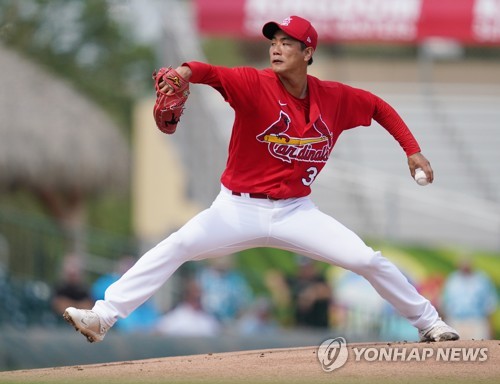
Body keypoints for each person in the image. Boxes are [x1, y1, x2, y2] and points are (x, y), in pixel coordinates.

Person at [63, 15, 459, 343]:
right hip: (236, 208)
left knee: (365, 259)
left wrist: (412, 149)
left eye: (288, 42)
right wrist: (182, 73)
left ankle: (429, 323)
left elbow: (377, 106)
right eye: (273, 40)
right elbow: (208, 72)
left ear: (308, 53)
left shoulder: (334, 97)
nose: (276, 47)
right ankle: (103, 317)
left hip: (296, 211)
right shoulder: (254, 84)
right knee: (179, 243)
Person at [441, 258, 498, 340]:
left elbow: (489, 307)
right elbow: (444, 305)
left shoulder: (482, 280)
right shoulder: (452, 280)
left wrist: (490, 329)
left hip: (476, 323)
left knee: (480, 350)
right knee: (455, 350)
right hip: (455, 322)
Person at [154, 279, 221, 337]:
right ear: (187, 295)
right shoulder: (176, 317)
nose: (197, 297)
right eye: (194, 296)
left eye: (199, 296)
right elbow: (158, 333)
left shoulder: (208, 319)